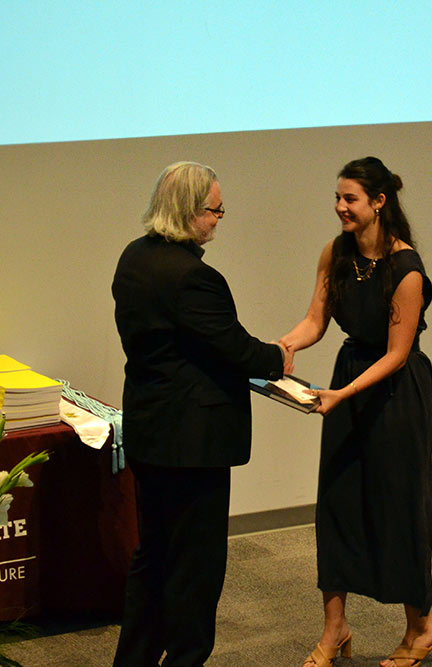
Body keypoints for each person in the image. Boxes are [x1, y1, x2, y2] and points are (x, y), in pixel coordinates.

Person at [111, 161, 291, 666]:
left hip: (150, 432)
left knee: (154, 556)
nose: (219, 218)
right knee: (196, 567)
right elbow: (233, 349)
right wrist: (276, 356)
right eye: (215, 209)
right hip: (192, 444)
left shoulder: (133, 258)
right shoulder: (195, 277)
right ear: (189, 212)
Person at [280, 157, 432, 667]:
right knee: (338, 504)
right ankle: (335, 629)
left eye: (350, 199)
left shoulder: (406, 268)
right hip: (350, 378)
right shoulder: (336, 253)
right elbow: (315, 320)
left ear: (379, 202)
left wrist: (341, 394)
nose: (340, 208)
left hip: (394, 393)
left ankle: (421, 629)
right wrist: (282, 346)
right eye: (337, 198)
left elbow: (396, 354)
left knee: (399, 507)